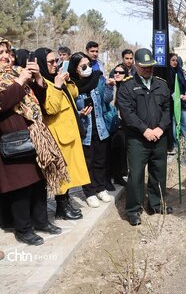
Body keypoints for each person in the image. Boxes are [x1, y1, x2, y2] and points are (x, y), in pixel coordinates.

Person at [0, 37, 67, 245]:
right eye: (0, 54)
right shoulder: (12, 78)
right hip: (13, 139)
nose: (6, 57)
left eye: (7, 53)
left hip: (35, 135)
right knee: (21, 185)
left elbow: (39, 98)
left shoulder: (15, 74)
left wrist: (37, 77)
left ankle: (41, 221)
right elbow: (3, 102)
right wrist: (20, 81)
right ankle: (23, 229)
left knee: (39, 180)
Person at [116, 48, 172, 226]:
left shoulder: (161, 84)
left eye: (151, 67)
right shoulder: (127, 85)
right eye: (144, 67)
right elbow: (127, 113)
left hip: (159, 137)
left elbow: (167, 109)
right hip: (138, 139)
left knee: (158, 172)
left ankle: (156, 204)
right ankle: (133, 210)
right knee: (136, 175)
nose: (148, 70)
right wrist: (145, 130)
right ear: (136, 66)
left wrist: (161, 128)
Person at [34, 47, 90, 220]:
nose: (54, 64)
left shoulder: (55, 78)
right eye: (50, 62)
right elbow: (51, 108)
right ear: (42, 64)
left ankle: (65, 205)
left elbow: (74, 93)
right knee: (60, 175)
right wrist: (58, 86)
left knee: (69, 174)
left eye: (56, 61)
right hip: (57, 136)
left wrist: (67, 80)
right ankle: (62, 208)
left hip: (69, 133)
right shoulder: (41, 83)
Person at [69, 52, 113, 208]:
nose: (87, 68)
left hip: (100, 128)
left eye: (88, 64)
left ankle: (101, 188)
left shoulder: (97, 79)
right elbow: (70, 110)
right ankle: (90, 192)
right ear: (75, 68)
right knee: (87, 162)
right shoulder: (71, 86)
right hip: (84, 130)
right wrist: (80, 114)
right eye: (83, 65)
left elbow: (106, 100)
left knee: (100, 160)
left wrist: (109, 87)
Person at [167, 53, 186, 140]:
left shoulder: (179, 71)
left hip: (183, 103)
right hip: (173, 104)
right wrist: (177, 96)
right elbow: (168, 88)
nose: (175, 62)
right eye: (173, 60)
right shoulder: (167, 73)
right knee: (175, 127)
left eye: (176, 60)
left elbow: (185, 86)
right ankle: (176, 146)